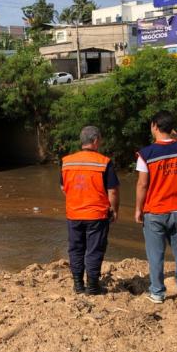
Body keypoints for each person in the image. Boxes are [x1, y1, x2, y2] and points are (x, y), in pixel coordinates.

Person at [135, 111, 177, 304]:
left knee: (155, 255)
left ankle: (158, 293)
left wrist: (138, 209)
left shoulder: (146, 154)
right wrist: (175, 138)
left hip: (155, 210)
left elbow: (142, 184)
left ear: (154, 126)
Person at [61, 126, 120, 295]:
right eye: (100, 139)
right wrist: (114, 209)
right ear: (95, 141)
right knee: (94, 250)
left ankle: (78, 285)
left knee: (76, 249)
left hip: (74, 214)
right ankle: (93, 286)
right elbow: (113, 191)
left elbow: (63, 187)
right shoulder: (104, 162)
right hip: (97, 215)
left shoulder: (67, 161)